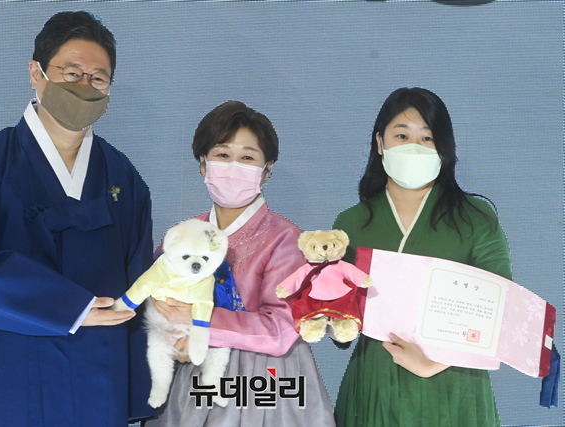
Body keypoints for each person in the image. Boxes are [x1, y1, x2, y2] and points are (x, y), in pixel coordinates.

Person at [0, 11, 155, 426]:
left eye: (98, 78)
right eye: (72, 73)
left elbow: (141, 289)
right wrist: (72, 308)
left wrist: (145, 394)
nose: (85, 87)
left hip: (93, 380)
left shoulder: (124, 178)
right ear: (37, 73)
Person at [143, 101, 336, 426]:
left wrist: (201, 325)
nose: (233, 167)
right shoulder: (181, 236)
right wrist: (172, 339)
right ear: (203, 164)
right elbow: (157, 304)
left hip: (266, 381)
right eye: (222, 154)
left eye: (247, 158)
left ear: (267, 169)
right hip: (190, 376)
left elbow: (280, 329)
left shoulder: (286, 239)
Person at [333, 87, 511, 427]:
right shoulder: (351, 223)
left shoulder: (475, 218)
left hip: (454, 386)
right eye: (402, 135)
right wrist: (325, 313)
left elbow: (500, 309)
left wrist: (433, 363)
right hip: (374, 384)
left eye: (427, 138)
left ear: (443, 147)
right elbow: (343, 326)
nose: (414, 147)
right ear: (380, 142)